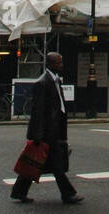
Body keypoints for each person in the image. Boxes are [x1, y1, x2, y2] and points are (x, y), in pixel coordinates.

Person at [10, 51, 83, 205]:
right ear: (51, 64)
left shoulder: (55, 80)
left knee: (35, 162)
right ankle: (68, 194)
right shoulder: (42, 83)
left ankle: (18, 192)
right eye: (58, 63)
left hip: (54, 129)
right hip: (47, 132)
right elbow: (38, 111)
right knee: (56, 165)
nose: (61, 65)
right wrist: (37, 135)